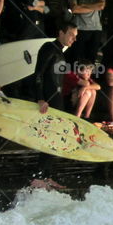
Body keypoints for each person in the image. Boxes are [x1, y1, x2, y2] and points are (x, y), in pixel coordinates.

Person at [32, 21, 78, 187]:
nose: (74, 39)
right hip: (48, 102)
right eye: (72, 35)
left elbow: (57, 79)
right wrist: (40, 98)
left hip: (57, 100)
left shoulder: (60, 51)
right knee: (49, 137)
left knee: (56, 138)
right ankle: (37, 177)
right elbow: (38, 74)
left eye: (75, 36)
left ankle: (46, 176)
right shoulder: (48, 48)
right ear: (61, 32)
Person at [68, 0, 105, 66]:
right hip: (79, 29)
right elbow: (74, 9)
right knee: (76, 58)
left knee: (91, 60)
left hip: (96, 29)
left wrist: (82, 6)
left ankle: (88, 79)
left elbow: (101, 6)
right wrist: (94, 6)